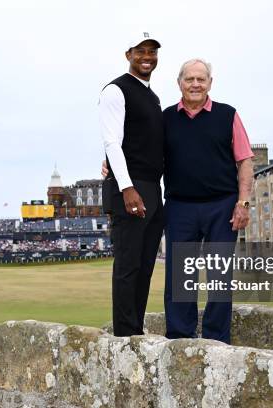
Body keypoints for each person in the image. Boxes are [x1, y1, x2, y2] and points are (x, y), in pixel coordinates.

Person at [162, 59, 254, 343]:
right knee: (180, 278)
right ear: (180, 83)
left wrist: (244, 203)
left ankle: (216, 340)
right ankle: (180, 338)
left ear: (210, 83)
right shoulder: (165, 118)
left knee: (219, 278)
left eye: (201, 79)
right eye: (189, 79)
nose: (195, 84)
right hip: (179, 207)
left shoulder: (228, 115)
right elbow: (144, 153)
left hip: (222, 206)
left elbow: (245, 161)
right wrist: (110, 163)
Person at [99, 32, 165, 336]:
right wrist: (126, 187)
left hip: (152, 187)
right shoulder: (115, 90)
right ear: (128, 54)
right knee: (128, 265)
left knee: (145, 265)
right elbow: (112, 143)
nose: (147, 56)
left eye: (152, 51)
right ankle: (125, 333)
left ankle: (135, 328)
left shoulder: (152, 96)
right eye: (141, 51)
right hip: (131, 188)